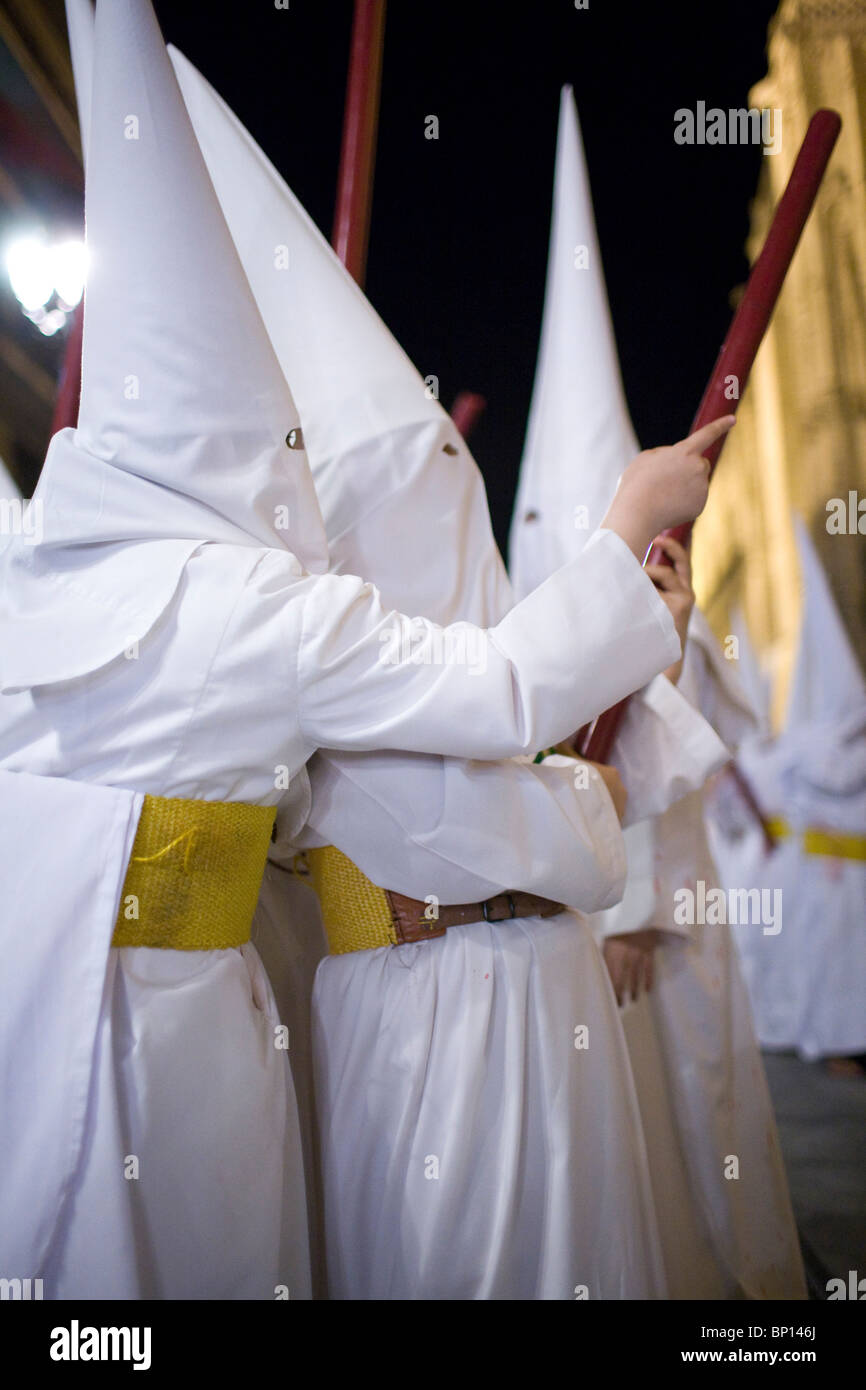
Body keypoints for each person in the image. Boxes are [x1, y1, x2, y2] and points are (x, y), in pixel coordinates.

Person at [0, 0, 729, 1299]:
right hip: (179, 1039)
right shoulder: (253, 602)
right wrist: (623, 529)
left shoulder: (33, 582)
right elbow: (497, 690)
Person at [510, 84, 805, 1298]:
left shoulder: (666, 587)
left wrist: (634, 900)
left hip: (656, 920)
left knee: (686, 1133)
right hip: (554, 913)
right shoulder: (526, 582)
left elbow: (690, 741)